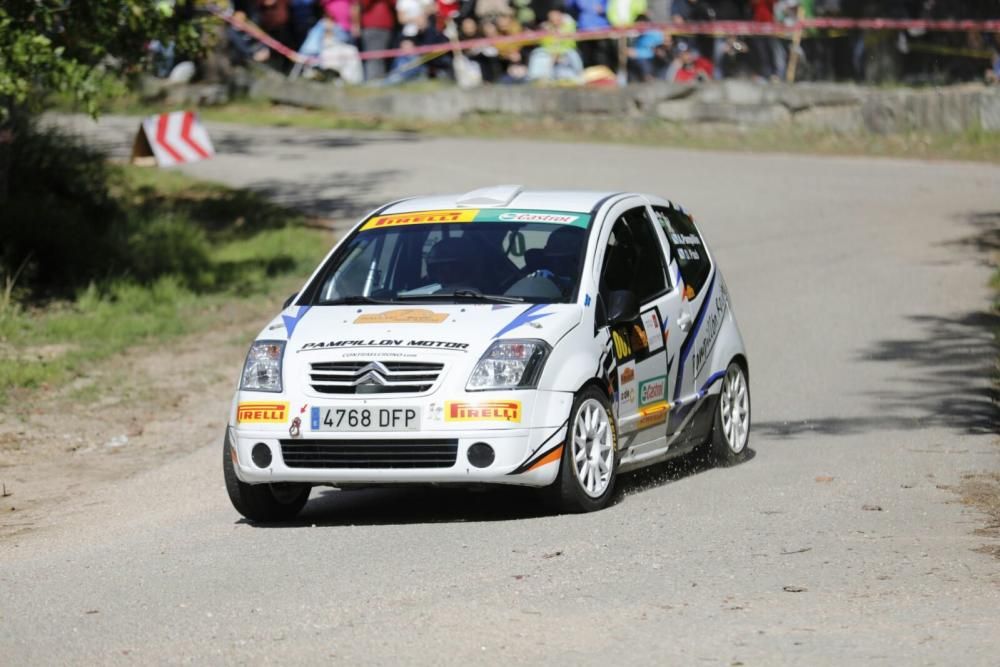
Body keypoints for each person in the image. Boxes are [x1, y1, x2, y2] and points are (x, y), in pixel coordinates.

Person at [357, 0, 396, 80]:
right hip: (371, 27)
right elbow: (364, 3)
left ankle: (379, 82)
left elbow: (394, 3)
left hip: (385, 27)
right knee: (373, 57)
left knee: (380, 57)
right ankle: (373, 82)